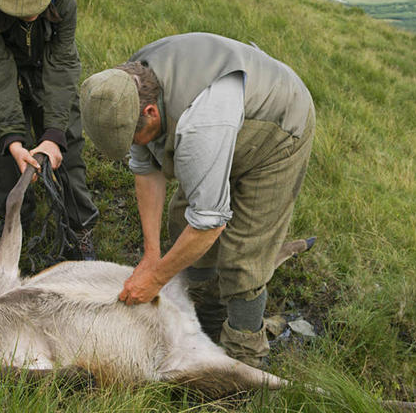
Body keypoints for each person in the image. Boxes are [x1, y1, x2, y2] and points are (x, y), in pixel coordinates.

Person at [79, 32, 315, 367]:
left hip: (277, 130)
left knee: (243, 258)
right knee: (181, 220)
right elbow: (146, 168)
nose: (136, 144)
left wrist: (156, 279)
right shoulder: (122, 89)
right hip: (225, 122)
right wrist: (150, 256)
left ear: (149, 111)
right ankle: (207, 315)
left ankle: (244, 356)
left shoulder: (199, 126)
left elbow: (208, 224)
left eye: (135, 136)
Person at [0, 0, 98, 260]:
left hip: (47, 66)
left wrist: (53, 134)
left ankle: (79, 227)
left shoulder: (63, 0)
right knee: (0, 142)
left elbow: (63, 64)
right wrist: (14, 138)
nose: (31, 14)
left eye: (36, 7)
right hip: (6, 67)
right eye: (21, 9)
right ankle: (14, 222)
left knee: (68, 140)